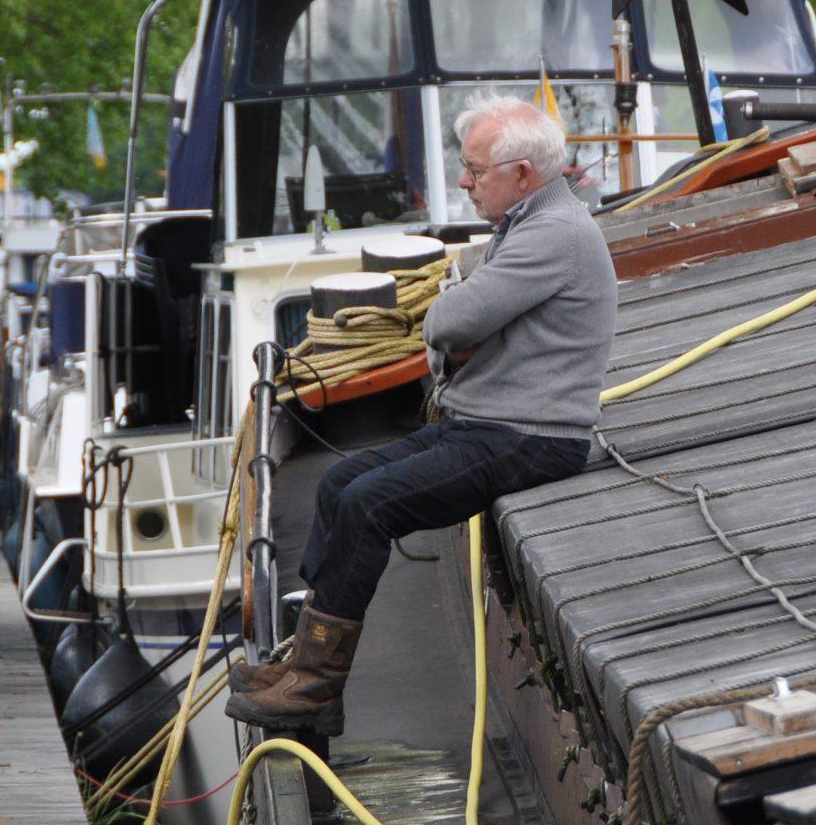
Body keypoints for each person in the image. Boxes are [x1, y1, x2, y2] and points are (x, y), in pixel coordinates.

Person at [227, 98, 617, 736]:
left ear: (522, 173)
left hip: (530, 437)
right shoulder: (527, 223)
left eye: (475, 170)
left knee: (368, 504)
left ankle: (316, 691)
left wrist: (452, 315)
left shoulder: (555, 234)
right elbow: (457, 327)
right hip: (485, 425)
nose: (464, 182)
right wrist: (457, 319)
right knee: (337, 483)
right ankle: (303, 661)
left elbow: (449, 322)